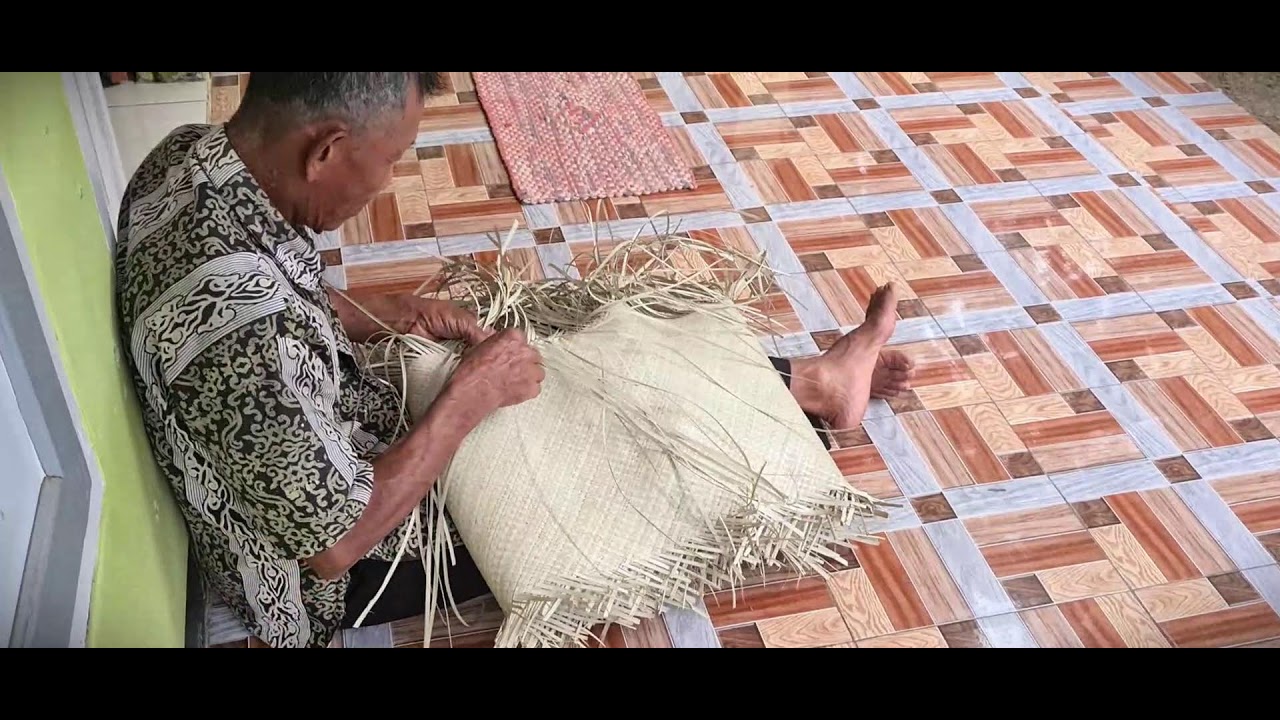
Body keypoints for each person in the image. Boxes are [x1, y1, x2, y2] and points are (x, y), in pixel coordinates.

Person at [114, 72, 914, 649]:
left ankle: (809, 382)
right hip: (330, 574)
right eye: (389, 162)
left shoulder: (189, 161)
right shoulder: (247, 344)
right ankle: (811, 389)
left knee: (571, 364)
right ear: (324, 149)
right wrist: (465, 400)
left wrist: (367, 313)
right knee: (582, 441)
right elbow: (334, 545)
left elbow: (245, 310)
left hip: (324, 430)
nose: (387, 185)